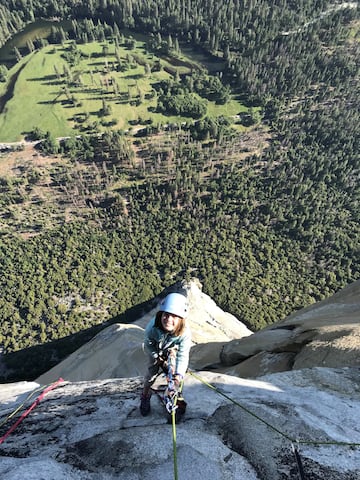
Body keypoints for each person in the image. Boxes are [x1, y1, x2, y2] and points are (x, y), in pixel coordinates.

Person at [140, 292, 191, 417]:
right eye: (166, 314)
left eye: (174, 316)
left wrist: (178, 376)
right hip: (156, 351)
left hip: (173, 351)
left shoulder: (184, 333)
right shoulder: (152, 328)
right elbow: (148, 345)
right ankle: (145, 396)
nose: (168, 319)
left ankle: (174, 399)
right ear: (161, 314)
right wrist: (157, 358)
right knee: (151, 375)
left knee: (175, 379)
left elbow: (183, 355)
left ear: (181, 319)